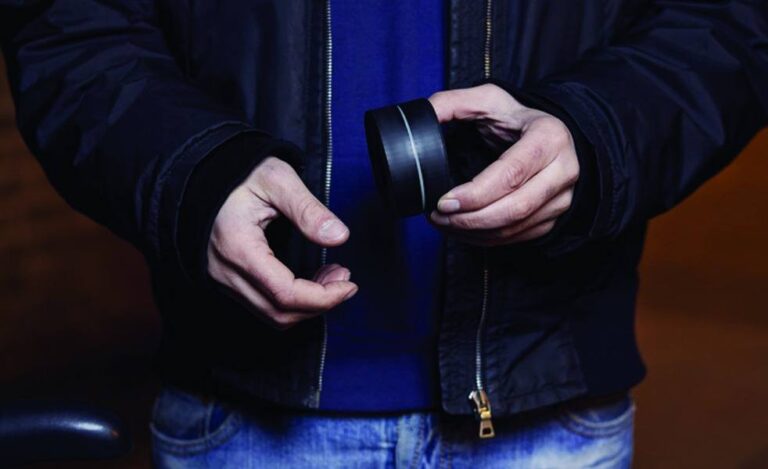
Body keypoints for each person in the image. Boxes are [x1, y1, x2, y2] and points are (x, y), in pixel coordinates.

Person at [2, 0, 766, 467]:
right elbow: (74, 24)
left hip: (544, 412)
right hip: (244, 418)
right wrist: (193, 174)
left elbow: (728, 19)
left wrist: (596, 135)